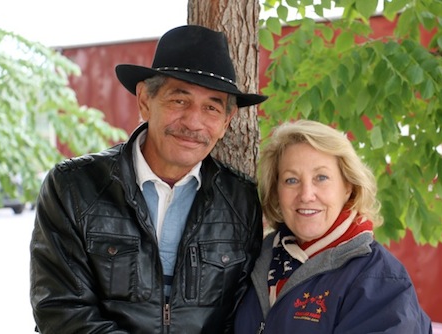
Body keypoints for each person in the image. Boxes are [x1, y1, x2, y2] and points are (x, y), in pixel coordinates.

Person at [30, 25, 267, 334]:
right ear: (144, 100)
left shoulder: (243, 200)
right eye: (179, 101)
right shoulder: (73, 187)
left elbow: (240, 316)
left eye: (211, 107)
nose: (193, 122)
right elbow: (60, 312)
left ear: (226, 122)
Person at [234, 120, 433, 333]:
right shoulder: (257, 259)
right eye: (291, 180)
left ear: (348, 186)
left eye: (321, 177)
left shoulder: (379, 279)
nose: (306, 195)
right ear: (276, 191)